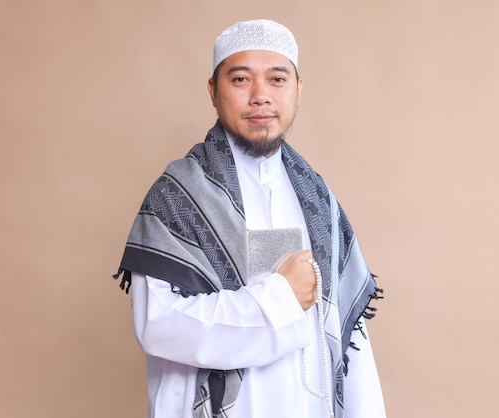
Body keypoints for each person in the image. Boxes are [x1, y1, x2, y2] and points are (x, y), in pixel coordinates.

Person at [113, 19, 386, 418]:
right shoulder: (176, 197)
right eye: (241, 79)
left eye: (277, 79)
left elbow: (350, 338)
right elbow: (158, 324)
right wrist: (280, 300)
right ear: (213, 90)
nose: (261, 96)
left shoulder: (319, 201)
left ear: (298, 89)